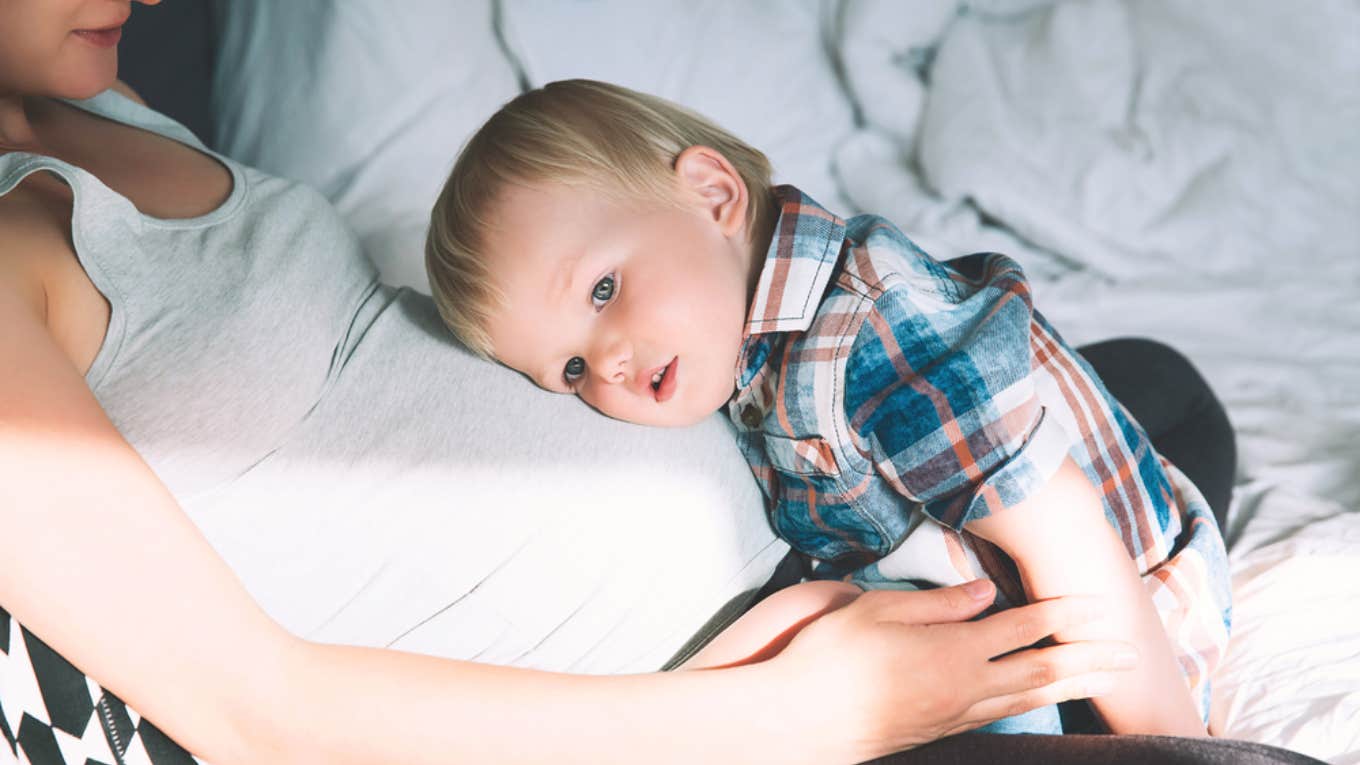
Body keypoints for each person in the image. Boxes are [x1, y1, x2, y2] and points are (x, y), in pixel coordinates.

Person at [0, 2, 1179, 764]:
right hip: (751, 715)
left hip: (817, 543)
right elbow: (251, 709)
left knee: (1139, 390)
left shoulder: (91, 105)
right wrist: (786, 716)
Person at [424, 80, 1232, 736]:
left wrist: (1177, 747)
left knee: (1161, 390)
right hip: (934, 606)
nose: (608, 362)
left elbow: (1067, 534)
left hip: (1099, 622)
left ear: (713, 194)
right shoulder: (736, 357)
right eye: (568, 369)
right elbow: (816, 598)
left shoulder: (867, 331)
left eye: (603, 290)